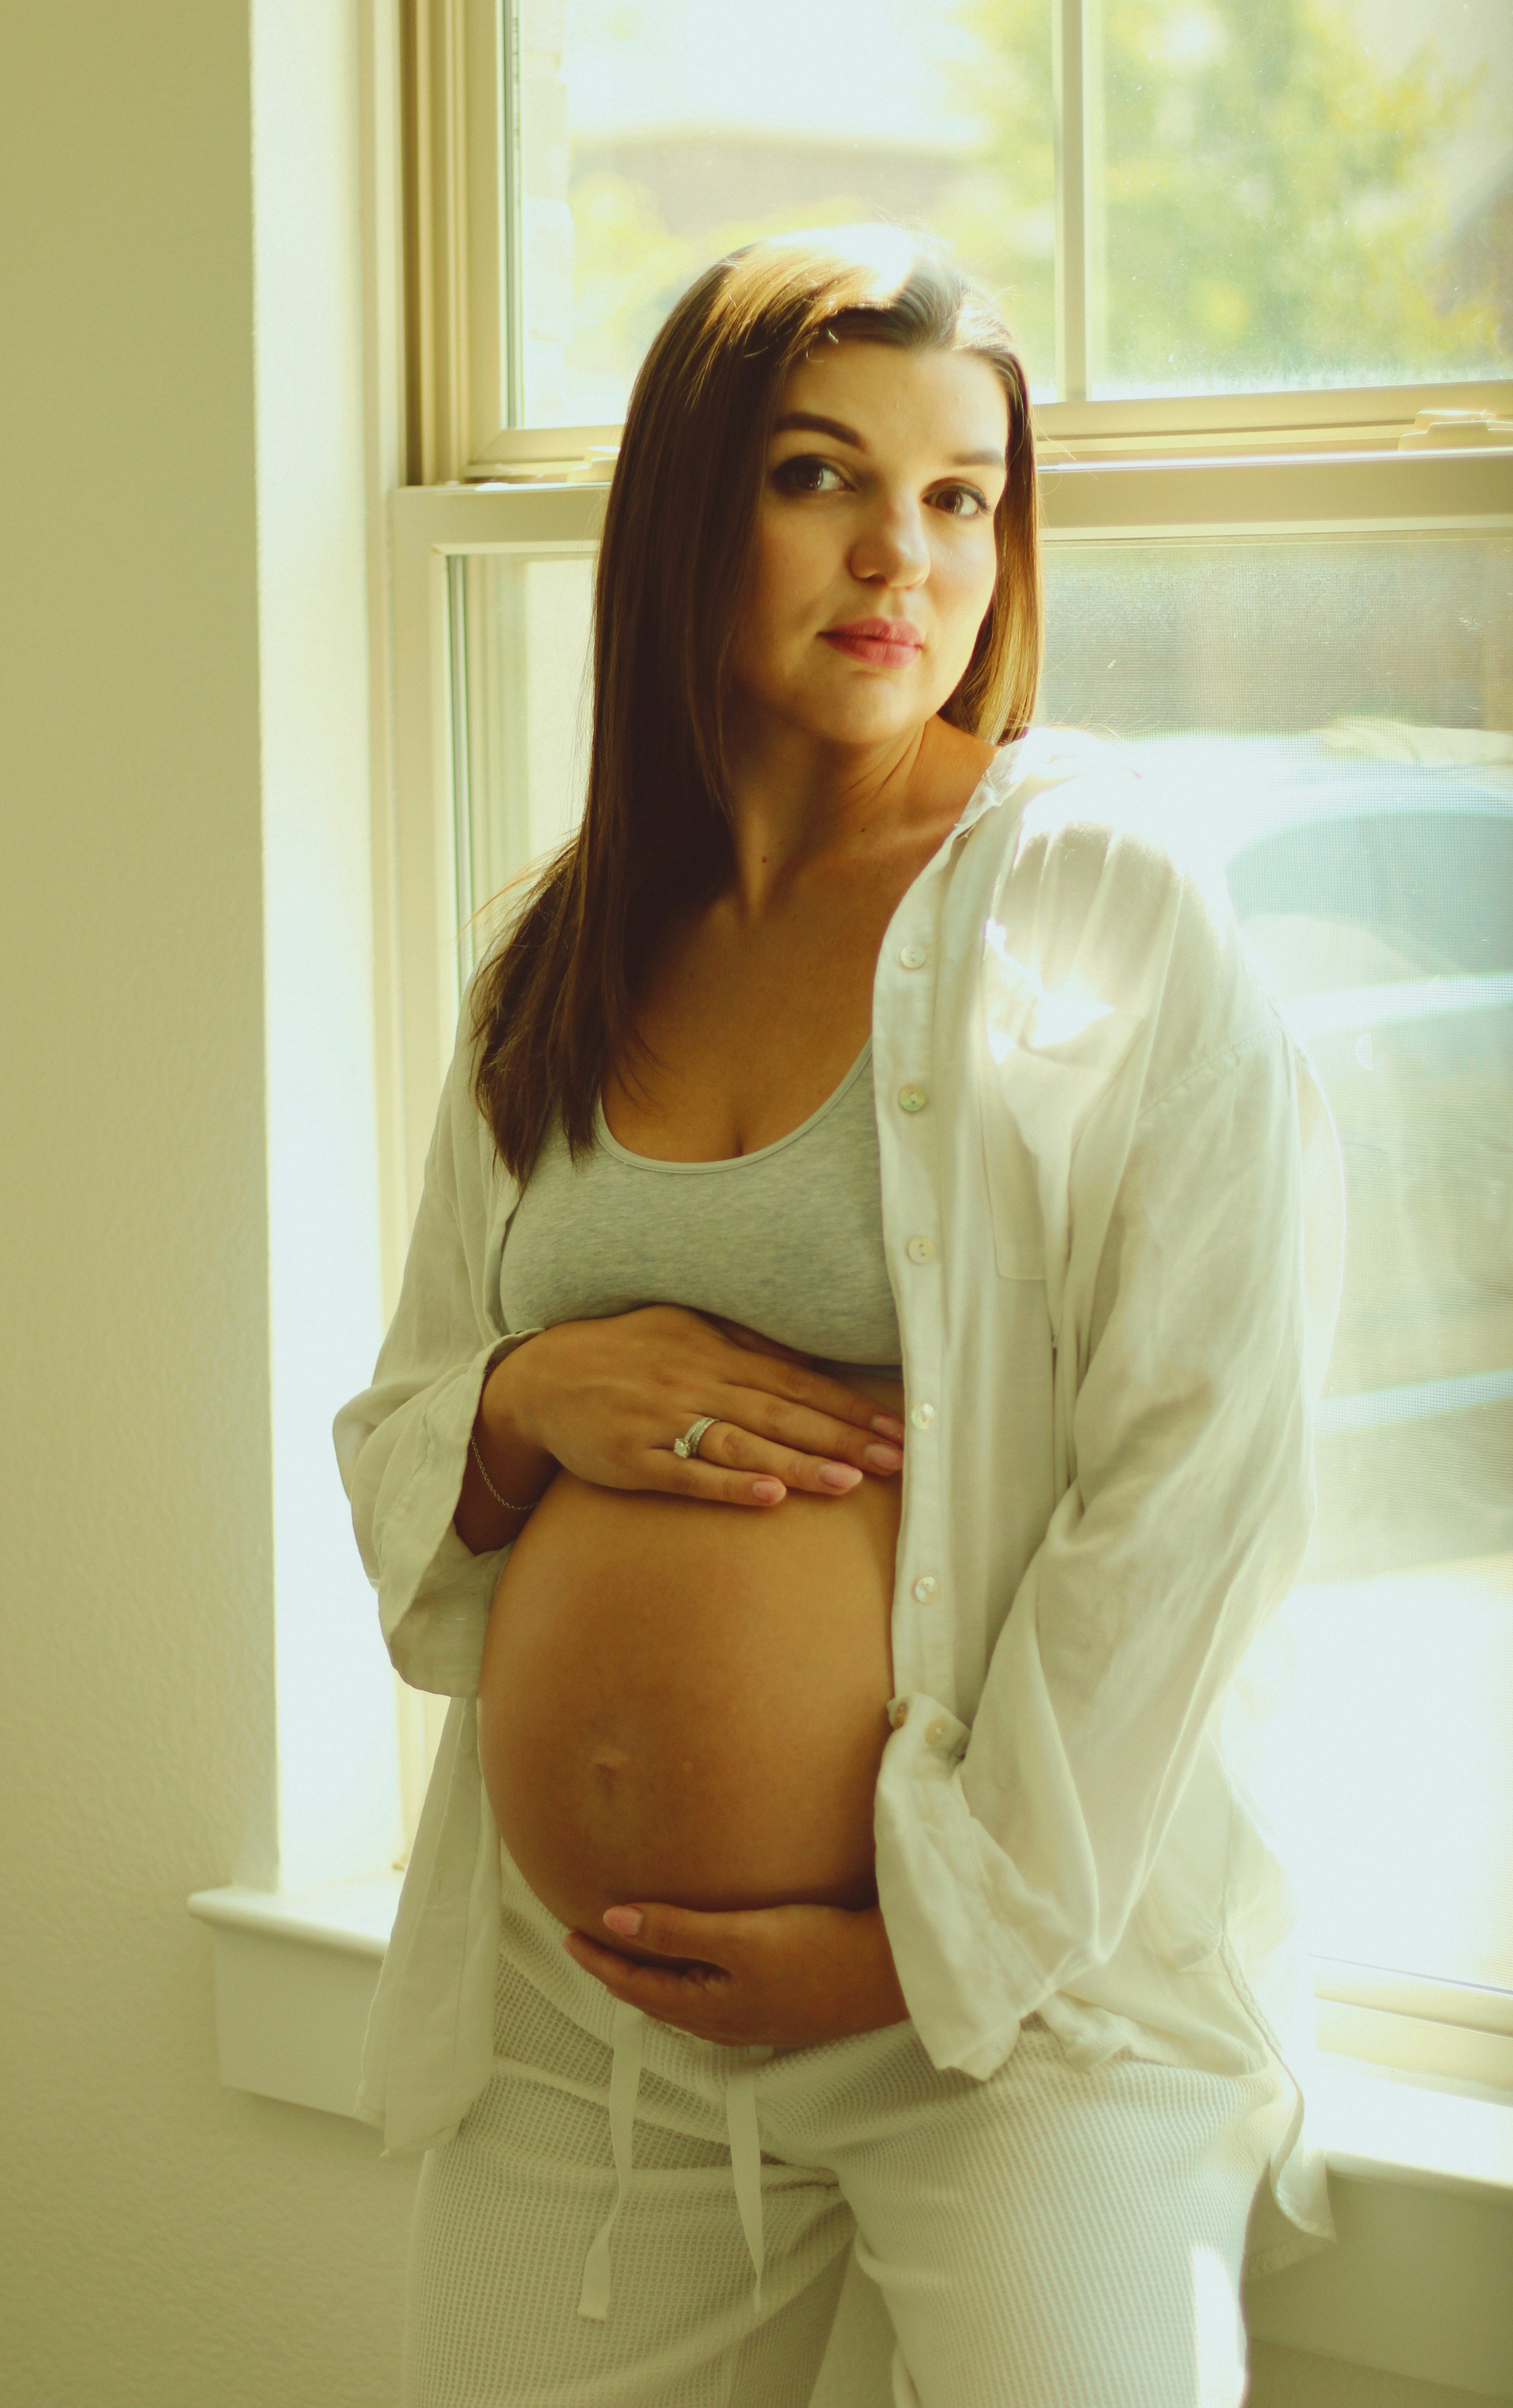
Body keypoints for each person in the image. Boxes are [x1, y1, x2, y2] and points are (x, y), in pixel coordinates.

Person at [333, 223, 1346, 2408]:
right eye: (820, 476)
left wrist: (925, 1943)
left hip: (1010, 2016)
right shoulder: (559, 954)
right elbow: (408, 1425)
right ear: (693, 511)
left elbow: (1207, 1476)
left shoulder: (1098, 899)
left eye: (963, 494)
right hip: (571, 2021)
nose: (904, 551)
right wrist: (528, 1397)